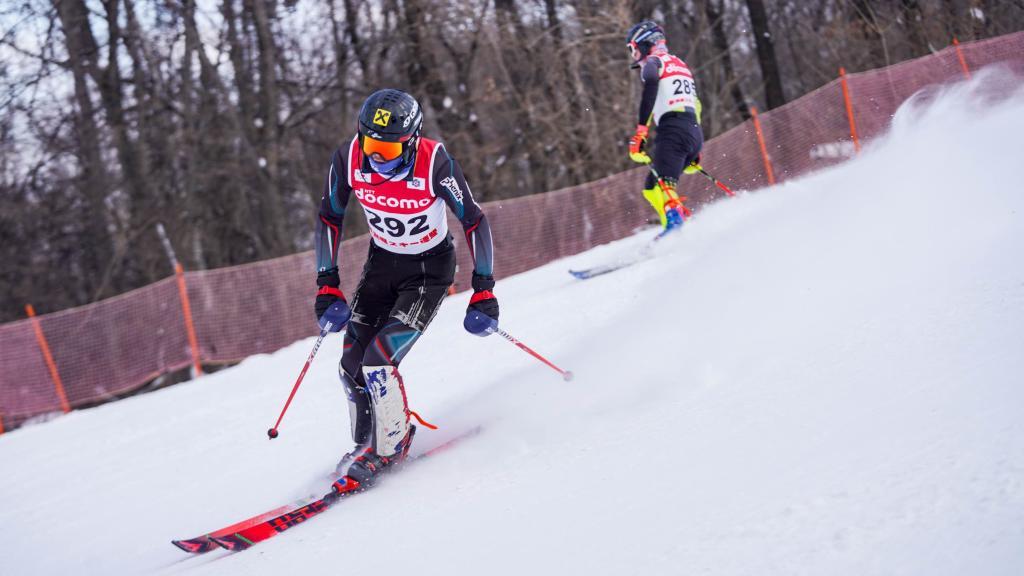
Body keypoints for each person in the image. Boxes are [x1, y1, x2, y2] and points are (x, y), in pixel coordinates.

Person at [313, 88, 498, 490]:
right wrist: (326, 284)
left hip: (428, 271)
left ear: (412, 140)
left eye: (389, 149)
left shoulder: (435, 161)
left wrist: (483, 289)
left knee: (378, 361)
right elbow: (329, 216)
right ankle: (366, 443)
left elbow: (474, 220)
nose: (377, 158)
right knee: (350, 364)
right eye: (371, 145)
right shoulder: (348, 159)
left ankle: (390, 448)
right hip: (383, 265)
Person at [625, 20, 705, 233]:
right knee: (651, 187)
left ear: (643, 44)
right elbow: (695, 104)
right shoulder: (680, 64)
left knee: (664, 185)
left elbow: (651, 84)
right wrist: (694, 145)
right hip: (692, 129)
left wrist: (641, 131)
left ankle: (675, 227)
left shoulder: (653, 62)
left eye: (633, 50)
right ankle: (672, 226)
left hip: (673, 130)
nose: (634, 57)